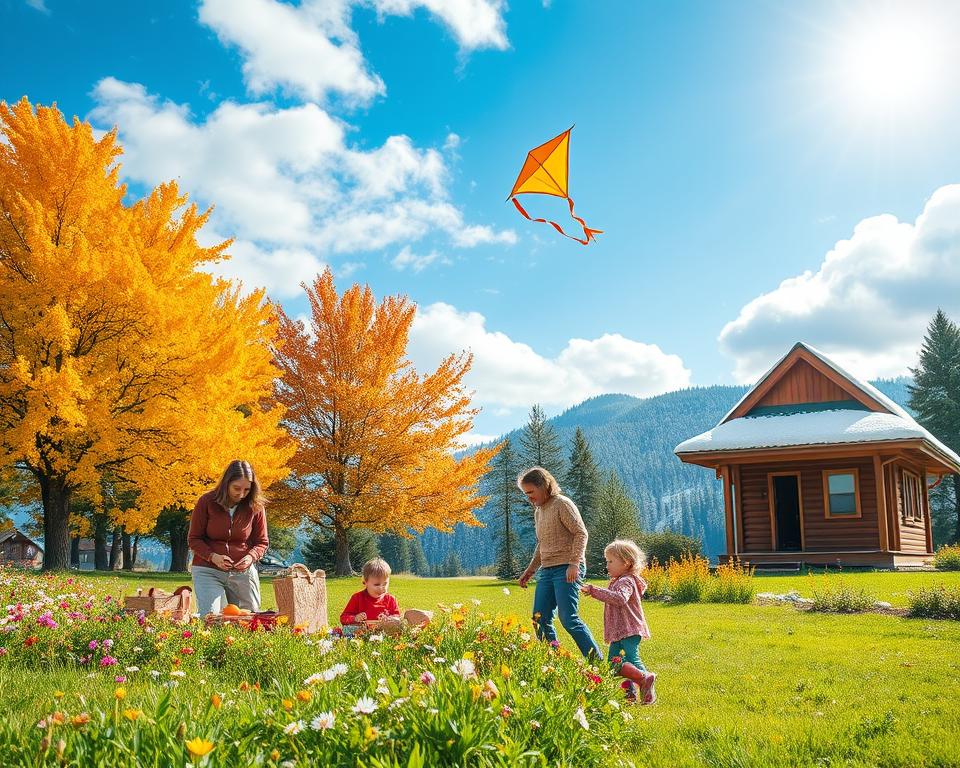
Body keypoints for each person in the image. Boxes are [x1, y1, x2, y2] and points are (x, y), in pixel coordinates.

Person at [517, 466, 602, 660]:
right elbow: (542, 544)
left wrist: (574, 563)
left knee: (568, 619)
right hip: (547, 570)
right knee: (539, 618)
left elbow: (581, 533)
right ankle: (553, 662)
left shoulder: (562, 504)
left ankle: (597, 663)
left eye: (530, 492)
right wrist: (530, 571)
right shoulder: (538, 511)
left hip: (568, 568)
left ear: (544, 486)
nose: (528, 497)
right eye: (525, 493)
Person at [188, 459, 269, 616]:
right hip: (208, 569)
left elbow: (262, 542)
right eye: (236, 488)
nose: (241, 494)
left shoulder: (256, 507)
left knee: (248, 618)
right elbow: (194, 539)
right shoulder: (206, 501)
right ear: (226, 483)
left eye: (246, 489)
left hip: (243, 571)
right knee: (210, 618)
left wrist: (251, 557)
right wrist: (213, 556)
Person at [581, 539, 657, 704]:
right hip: (619, 630)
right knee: (614, 663)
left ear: (626, 563)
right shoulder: (618, 580)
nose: (607, 565)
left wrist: (595, 591)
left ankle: (645, 679)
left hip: (628, 629)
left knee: (630, 660)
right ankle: (630, 694)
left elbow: (620, 598)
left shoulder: (626, 581)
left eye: (610, 561)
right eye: (606, 561)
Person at [339, 557, 401, 626]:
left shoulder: (391, 600)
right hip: (362, 634)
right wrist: (355, 618)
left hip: (384, 635)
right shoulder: (357, 598)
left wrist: (391, 619)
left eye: (385, 584)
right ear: (365, 582)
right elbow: (343, 618)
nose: (381, 588)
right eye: (377, 584)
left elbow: (398, 618)